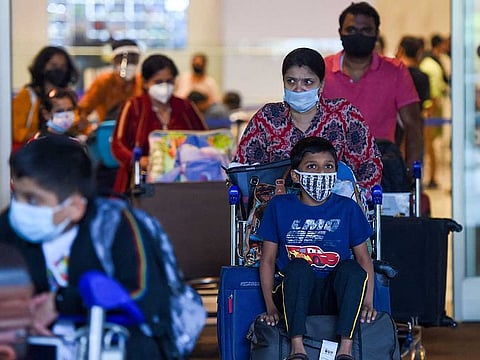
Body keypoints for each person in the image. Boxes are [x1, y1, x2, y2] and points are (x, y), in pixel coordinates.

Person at [0, 135, 173, 359]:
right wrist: (22, 317)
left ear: (75, 206)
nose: (21, 208)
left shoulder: (114, 225)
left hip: (114, 345)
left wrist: (61, 302)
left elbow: (145, 297)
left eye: (33, 200)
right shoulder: (9, 227)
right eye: (18, 195)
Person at [258, 136, 375, 360]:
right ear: (295, 175)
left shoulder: (347, 208)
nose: (321, 173)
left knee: (350, 268)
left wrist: (368, 301)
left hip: (335, 294)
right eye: (312, 166)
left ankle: (345, 350)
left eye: (328, 167)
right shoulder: (278, 207)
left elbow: (364, 260)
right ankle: (297, 349)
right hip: (294, 292)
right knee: (299, 267)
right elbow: (267, 260)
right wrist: (270, 306)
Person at [232, 47, 382, 191]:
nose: (298, 88)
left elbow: (369, 164)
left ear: (321, 85)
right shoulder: (267, 118)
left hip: (336, 209)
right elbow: (243, 170)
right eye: (291, 81)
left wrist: (353, 197)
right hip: (279, 210)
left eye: (307, 82)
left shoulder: (344, 115)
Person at [323, 1, 423, 172]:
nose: (358, 35)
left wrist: (410, 177)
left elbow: (413, 127)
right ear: (340, 33)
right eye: (352, 30)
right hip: (330, 170)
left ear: (376, 33)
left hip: (382, 170)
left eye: (366, 30)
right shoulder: (323, 69)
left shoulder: (396, 71)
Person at [111, 54, 207, 194]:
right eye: (158, 82)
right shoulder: (133, 106)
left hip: (185, 183)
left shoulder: (186, 107)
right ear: (145, 83)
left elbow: (204, 139)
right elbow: (118, 144)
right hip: (140, 184)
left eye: (169, 81)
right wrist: (138, 161)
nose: (165, 86)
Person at [12, 46, 79, 150]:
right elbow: (15, 131)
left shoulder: (69, 96)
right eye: (53, 65)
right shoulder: (28, 95)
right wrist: (47, 135)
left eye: (63, 66)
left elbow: (76, 124)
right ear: (42, 67)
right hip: (33, 154)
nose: (58, 70)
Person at [77, 39, 143, 133]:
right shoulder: (104, 82)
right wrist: (88, 130)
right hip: (108, 133)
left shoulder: (142, 83)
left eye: (133, 60)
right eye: (123, 60)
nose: (128, 65)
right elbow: (82, 110)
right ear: (114, 61)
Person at [419, 34, 450, 188]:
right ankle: (430, 177)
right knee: (430, 145)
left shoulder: (427, 64)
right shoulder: (432, 65)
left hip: (430, 109)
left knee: (430, 145)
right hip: (432, 109)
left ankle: (431, 177)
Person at [395, 36, 431, 152]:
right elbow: (425, 104)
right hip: (415, 127)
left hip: (394, 127)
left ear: (401, 50)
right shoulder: (423, 77)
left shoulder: (394, 74)